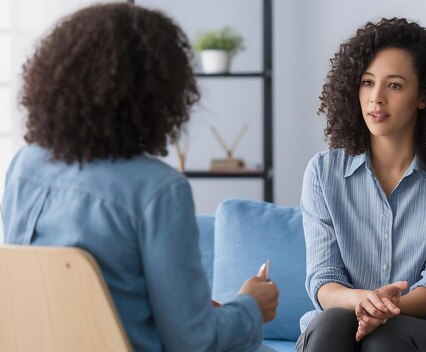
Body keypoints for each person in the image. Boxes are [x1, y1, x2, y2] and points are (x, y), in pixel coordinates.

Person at [1, 3, 278, 351]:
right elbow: (193, 342)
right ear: (160, 92)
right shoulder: (157, 189)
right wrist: (251, 306)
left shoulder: (24, 166)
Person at [297, 18, 426, 351]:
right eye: (367, 82)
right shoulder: (322, 172)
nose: (376, 98)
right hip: (344, 323)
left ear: (423, 96)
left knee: (386, 337)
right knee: (328, 325)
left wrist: (385, 311)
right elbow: (323, 280)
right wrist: (365, 303)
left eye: (395, 85)